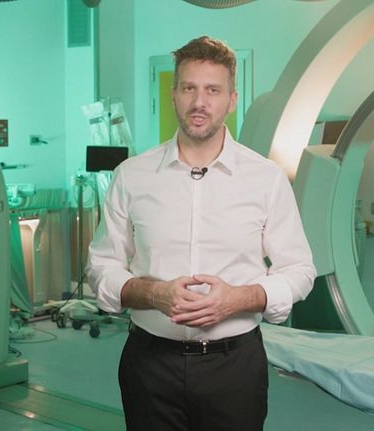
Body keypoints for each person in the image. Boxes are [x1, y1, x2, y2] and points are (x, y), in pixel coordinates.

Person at [86, 35, 315, 431]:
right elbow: (101, 266)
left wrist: (240, 298)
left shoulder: (266, 179)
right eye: (189, 88)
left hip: (235, 367)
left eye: (213, 90)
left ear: (232, 99)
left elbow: (299, 270)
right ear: (173, 94)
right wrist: (153, 294)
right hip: (150, 365)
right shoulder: (133, 176)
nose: (199, 102)